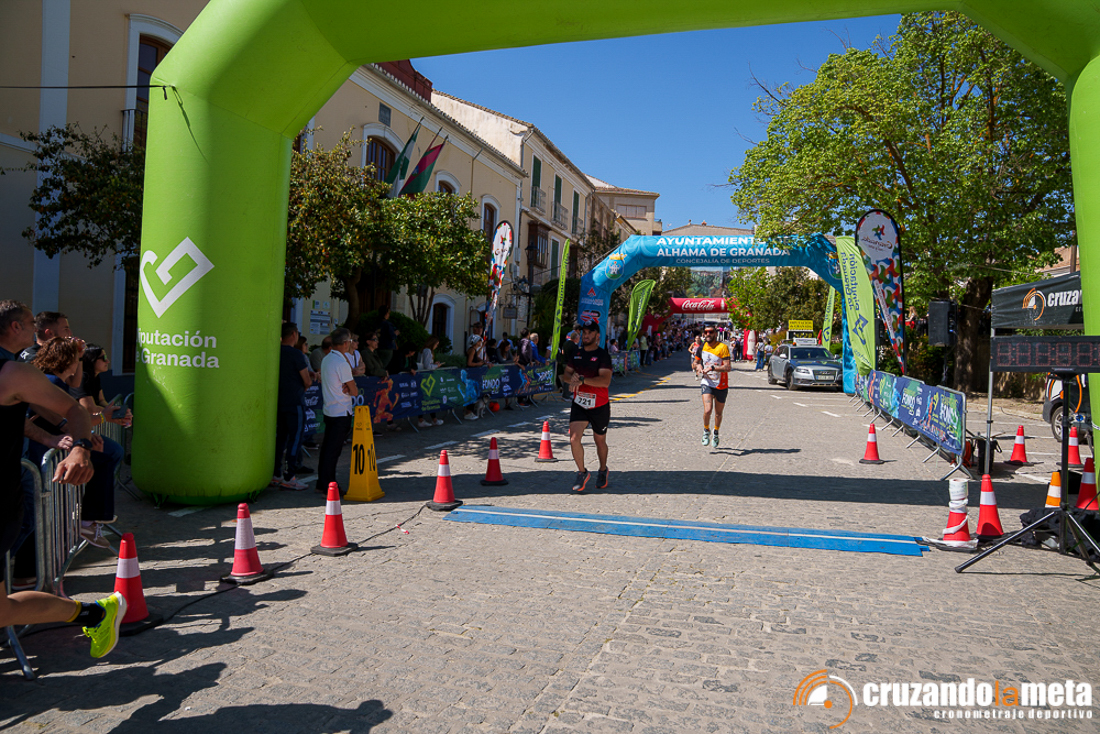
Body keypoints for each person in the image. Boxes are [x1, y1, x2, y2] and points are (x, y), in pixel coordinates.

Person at [0, 343, 125, 659]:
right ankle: (95, 614)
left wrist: (80, 448)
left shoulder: (12, 372)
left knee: (2, 611)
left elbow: (75, 409)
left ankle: (95, 613)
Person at [31, 339, 122, 548]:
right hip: (46, 448)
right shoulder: (52, 382)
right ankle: (86, 522)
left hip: (56, 445)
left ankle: (86, 522)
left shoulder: (59, 381)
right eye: (76, 359)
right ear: (66, 360)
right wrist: (90, 430)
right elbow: (71, 417)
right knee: (103, 459)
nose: (79, 364)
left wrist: (86, 435)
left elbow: (74, 390)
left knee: (105, 456)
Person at [562, 321, 613, 493]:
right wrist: (572, 379)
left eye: (590, 333)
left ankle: (603, 469)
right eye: (584, 332)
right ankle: (582, 472)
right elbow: (566, 375)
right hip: (580, 404)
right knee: (574, 438)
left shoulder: (603, 356)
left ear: (597, 336)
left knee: (600, 441)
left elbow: (605, 381)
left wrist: (582, 380)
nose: (586, 335)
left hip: (599, 405)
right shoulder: (577, 354)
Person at [317, 328, 358, 495]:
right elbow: (354, 390)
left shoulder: (327, 359)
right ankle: (328, 484)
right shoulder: (341, 363)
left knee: (328, 449)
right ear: (346, 343)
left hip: (330, 409)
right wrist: (349, 387)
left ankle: (322, 482)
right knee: (333, 451)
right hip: (341, 411)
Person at [274, 323, 313, 491]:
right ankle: (290, 476)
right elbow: (307, 380)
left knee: (280, 438)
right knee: (295, 438)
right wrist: (307, 383)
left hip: (279, 401)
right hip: (295, 401)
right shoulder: (296, 354)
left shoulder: (275, 351)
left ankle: (276, 474)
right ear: (293, 335)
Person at [694, 324, 731, 449]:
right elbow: (695, 363)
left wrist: (713, 368)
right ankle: (706, 430)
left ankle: (716, 432)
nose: (708, 334)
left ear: (715, 333)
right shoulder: (701, 347)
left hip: (721, 384)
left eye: (710, 332)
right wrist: (698, 366)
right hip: (707, 383)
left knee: (718, 413)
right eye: (706, 332)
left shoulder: (723, 347)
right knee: (707, 410)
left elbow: (728, 367)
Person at [417, 336, 445, 428]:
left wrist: (433, 364)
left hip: (422, 376)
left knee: (426, 398)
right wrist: (436, 366)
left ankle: (427, 419)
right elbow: (427, 366)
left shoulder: (423, 350)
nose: (436, 346)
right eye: (436, 344)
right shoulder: (428, 351)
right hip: (426, 377)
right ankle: (429, 419)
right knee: (429, 397)